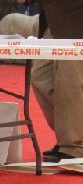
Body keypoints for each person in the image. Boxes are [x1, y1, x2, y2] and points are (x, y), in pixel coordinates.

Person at [31, 0, 83, 162]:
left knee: (69, 82)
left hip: (75, 24)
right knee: (40, 77)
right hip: (52, 20)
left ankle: (74, 146)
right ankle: (69, 138)